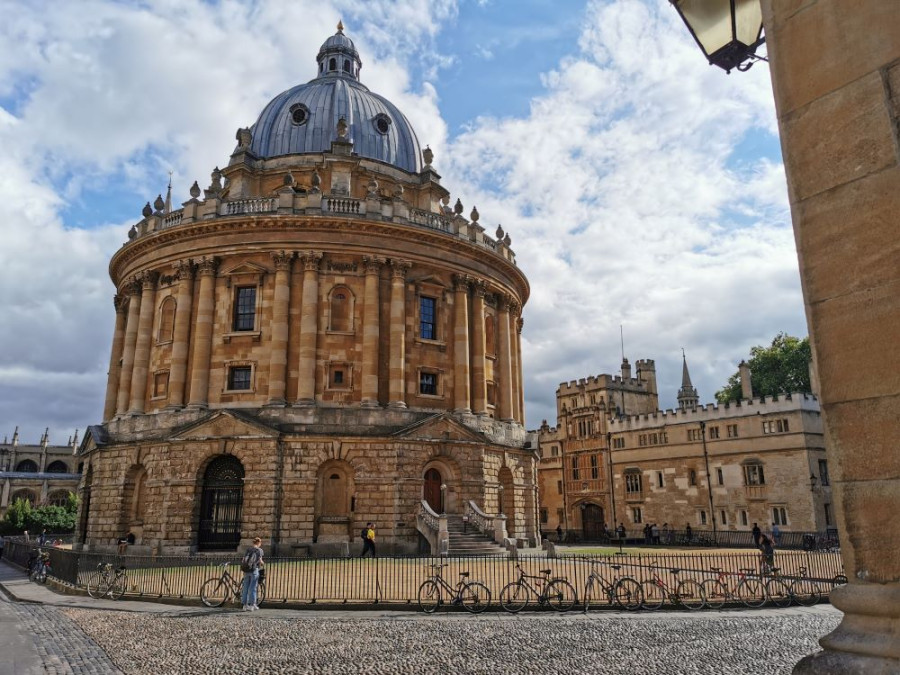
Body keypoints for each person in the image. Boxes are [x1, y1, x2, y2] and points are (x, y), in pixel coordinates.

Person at [241, 536, 264, 611]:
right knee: (253, 588)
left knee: (245, 587)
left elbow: (243, 559)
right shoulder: (259, 550)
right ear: (259, 543)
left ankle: (244, 605)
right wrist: (263, 563)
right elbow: (260, 561)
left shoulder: (248, 549)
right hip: (254, 570)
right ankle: (252, 605)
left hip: (246, 570)